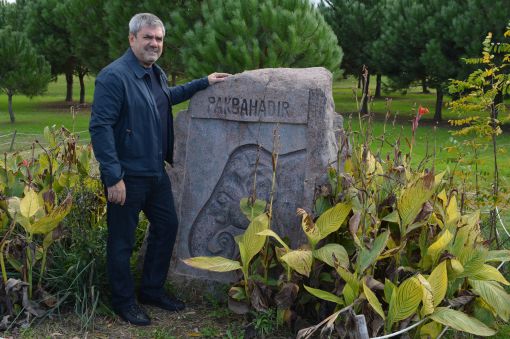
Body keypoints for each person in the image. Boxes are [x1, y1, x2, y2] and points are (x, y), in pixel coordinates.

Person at [89, 13, 229, 326]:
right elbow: (100, 127)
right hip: (126, 177)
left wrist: (202, 83)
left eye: (159, 39)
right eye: (148, 38)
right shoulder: (114, 77)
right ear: (132, 39)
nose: (154, 43)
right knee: (121, 242)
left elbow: (165, 99)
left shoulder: (155, 73)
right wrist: (114, 177)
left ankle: (151, 290)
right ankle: (124, 302)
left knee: (167, 227)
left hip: (154, 173)